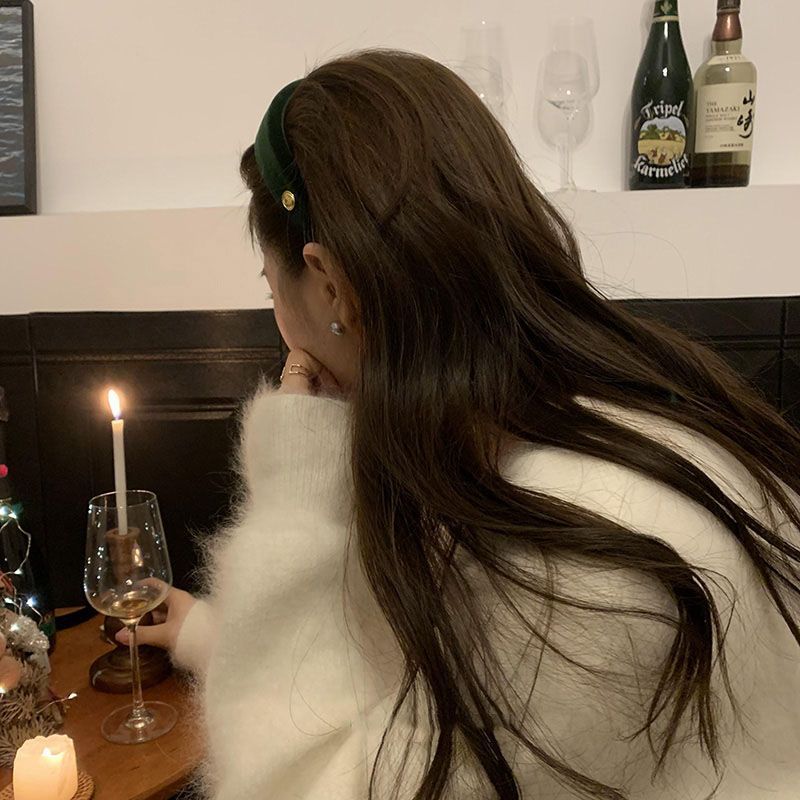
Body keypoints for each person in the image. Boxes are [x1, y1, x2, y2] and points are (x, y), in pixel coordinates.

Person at [117, 49, 800, 799]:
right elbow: (418, 697)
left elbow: (289, 785)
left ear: (331, 285)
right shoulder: (608, 427)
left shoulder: (571, 564)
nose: (279, 317)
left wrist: (296, 485)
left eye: (270, 284)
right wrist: (210, 635)